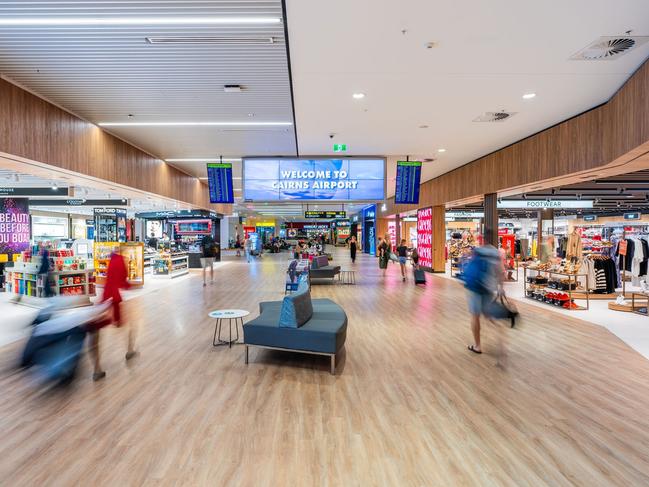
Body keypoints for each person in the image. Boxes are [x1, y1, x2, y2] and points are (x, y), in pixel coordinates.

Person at [91, 247, 135, 381]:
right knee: (128, 325)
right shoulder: (121, 260)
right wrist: (129, 285)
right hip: (115, 299)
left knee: (96, 332)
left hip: (104, 298)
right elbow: (123, 281)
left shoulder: (111, 260)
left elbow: (111, 279)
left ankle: (97, 369)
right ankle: (129, 350)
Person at [464, 231, 502, 355]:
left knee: (475, 316)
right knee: (488, 314)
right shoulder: (496, 252)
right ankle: (499, 331)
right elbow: (500, 271)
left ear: (482, 239)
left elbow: (469, 267)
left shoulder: (478, 251)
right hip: (489, 287)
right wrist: (501, 287)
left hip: (475, 286)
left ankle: (478, 346)